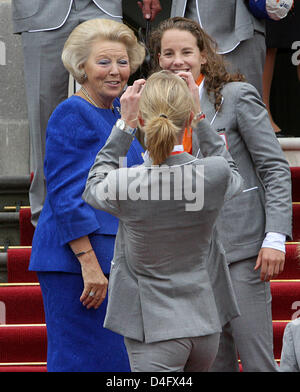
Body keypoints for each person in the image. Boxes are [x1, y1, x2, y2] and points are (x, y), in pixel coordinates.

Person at [149, 17, 293, 372]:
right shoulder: (156, 111)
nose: (177, 61)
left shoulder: (236, 95)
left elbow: (273, 168)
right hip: (192, 259)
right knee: (213, 363)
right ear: (158, 60)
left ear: (203, 55)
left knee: (257, 360)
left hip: (242, 249)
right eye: (168, 53)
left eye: (186, 51)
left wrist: (274, 237)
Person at [82, 70, 244, 372]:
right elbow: (231, 172)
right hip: (204, 324)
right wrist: (200, 118)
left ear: (142, 119)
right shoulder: (214, 173)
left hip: (154, 328)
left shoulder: (126, 182)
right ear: (188, 117)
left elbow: (93, 187)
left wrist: (123, 125)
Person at [28, 18, 145, 372]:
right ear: (81, 68)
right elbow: (64, 196)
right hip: (79, 263)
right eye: (104, 62)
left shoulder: (115, 114)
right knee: (84, 362)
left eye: (122, 62)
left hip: (113, 259)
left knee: (114, 364)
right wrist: (89, 265)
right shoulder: (72, 112)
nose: (115, 71)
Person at [11, 0, 161, 227]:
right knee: (43, 113)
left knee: (118, 102)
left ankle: (122, 203)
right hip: (41, 8)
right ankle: (46, 219)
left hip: (103, 4)